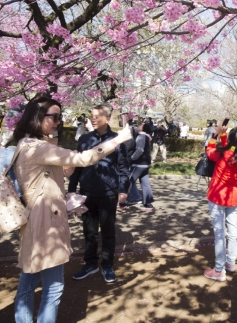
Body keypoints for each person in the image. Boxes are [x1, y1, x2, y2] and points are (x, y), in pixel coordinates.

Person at [11, 96, 133, 323]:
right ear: (38, 117)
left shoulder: (26, 143)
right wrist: (119, 140)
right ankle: (90, 264)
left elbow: (52, 171)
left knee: (29, 279)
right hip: (46, 220)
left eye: (60, 117)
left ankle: (105, 265)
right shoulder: (39, 147)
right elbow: (84, 158)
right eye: (54, 117)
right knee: (54, 286)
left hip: (39, 216)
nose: (58, 121)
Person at [68, 105, 129, 283]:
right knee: (89, 231)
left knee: (108, 231)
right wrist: (72, 189)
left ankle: (107, 264)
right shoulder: (85, 139)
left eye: (97, 116)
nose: (93, 119)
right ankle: (90, 263)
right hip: (86, 192)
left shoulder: (117, 140)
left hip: (108, 193)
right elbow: (77, 165)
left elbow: (123, 168)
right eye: (91, 116)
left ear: (108, 118)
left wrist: (123, 190)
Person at [203, 123, 237, 281]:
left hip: (218, 197)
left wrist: (215, 134)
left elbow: (209, 150)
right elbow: (228, 148)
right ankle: (230, 262)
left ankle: (219, 270)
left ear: (230, 140)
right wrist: (223, 135)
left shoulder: (223, 154)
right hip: (233, 197)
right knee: (233, 230)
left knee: (220, 235)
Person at [125, 122, 155, 210]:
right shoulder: (146, 136)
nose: (138, 126)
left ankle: (122, 202)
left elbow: (139, 150)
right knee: (145, 183)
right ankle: (148, 203)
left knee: (128, 181)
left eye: (140, 125)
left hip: (139, 164)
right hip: (145, 164)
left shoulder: (141, 136)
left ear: (143, 128)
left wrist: (131, 158)